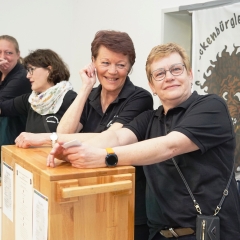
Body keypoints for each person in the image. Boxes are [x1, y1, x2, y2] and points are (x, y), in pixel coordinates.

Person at [48, 42, 240, 240]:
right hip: (158, 234)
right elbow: (115, 137)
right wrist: (67, 149)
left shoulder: (211, 106)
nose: (169, 77)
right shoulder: (150, 118)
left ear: (189, 74)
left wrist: (105, 157)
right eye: (160, 74)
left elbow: (170, 146)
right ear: (152, 86)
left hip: (206, 234)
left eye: (176, 69)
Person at [11, 30, 153, 240]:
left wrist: (43, 138)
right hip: (88, 198)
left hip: (125, 201)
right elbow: (64, 132)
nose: (112, 71)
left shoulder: (139, 98)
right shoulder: (92, 96)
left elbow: (108, 139)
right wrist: (86, 87)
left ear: (130, 66)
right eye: (105, 63)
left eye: (121, 65)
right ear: (93, 62)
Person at [0, 49, 77, 135]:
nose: (28, 76)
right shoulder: (30, 100)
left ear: (49, 70)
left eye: (31, 70)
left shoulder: (71, 99)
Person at [0, 35, 31, 158]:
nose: (2, 57)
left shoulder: (22, 76)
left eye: (8, 53)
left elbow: (1, 105)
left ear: (18, 55)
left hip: (13, 133)